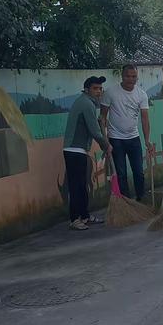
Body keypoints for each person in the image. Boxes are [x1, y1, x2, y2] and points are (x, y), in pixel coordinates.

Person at [63, 76, 112, 230]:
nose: (98, 92)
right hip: (74, 150)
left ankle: (84, 216)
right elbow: (95, 132)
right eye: (95, 88)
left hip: (79, 150)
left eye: (100, 88)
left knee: (82, 185)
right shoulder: (86, 104)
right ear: (87, 90)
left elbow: (93, 126)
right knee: (76, 186)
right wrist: (106, 146)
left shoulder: (86, 102)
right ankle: (74, 219)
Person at [100, 65, 153, 201]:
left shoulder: (141, 94)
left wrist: (147, 140)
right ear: (122, 76)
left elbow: (145, 119)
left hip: (134, 138)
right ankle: (126, 202)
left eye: (134, 76)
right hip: (115, 138)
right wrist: (105, 140)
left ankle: (141, 199)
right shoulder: (110, 92)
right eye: (127, 76)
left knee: (139, 172)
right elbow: (102, 118)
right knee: (121, 173)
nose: (130, 79)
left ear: (137, 77)